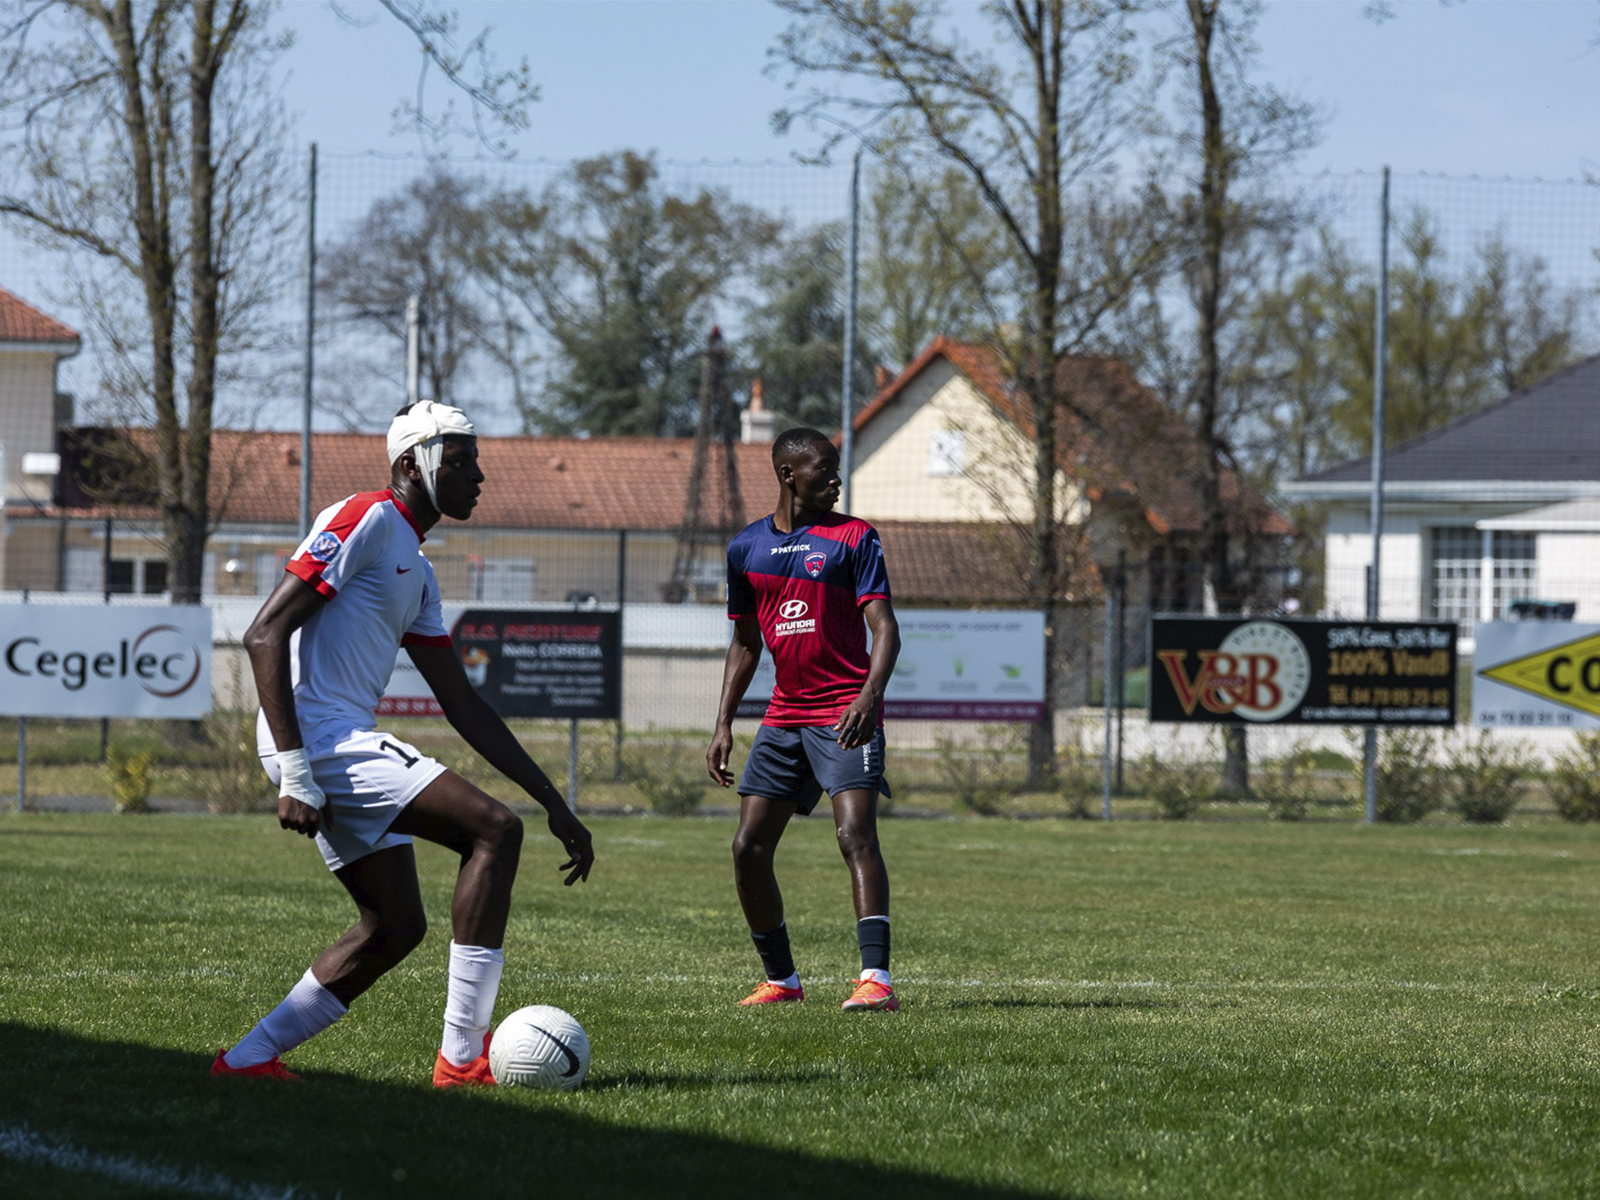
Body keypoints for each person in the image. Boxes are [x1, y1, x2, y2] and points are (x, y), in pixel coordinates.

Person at [215, 400, 594, 1085]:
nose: (477, 476)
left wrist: (554, 800)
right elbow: (263, 634)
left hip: (330, 740)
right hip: (317, 739)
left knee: (394, 926)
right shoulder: (364, 517)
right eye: (460, 462)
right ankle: (459, 1061)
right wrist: (296, 772)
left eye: (476, 462)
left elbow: (464, 705)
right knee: (492, 832)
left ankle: (246, 1061)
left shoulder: (416, 571)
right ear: (408, 467)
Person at [707, 426, 902, 1012]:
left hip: (845, 710)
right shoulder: (746, 548)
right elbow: (745, 642)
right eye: (826, 468)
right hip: (785, 716)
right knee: (748, 848)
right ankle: (782, 981)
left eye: (838, 468)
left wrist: (869, 696)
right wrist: (723, 723)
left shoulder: (854, 538)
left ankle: (876, 981)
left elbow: (885, 628)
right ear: (789, 474)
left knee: (853, 835)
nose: (837, 478)